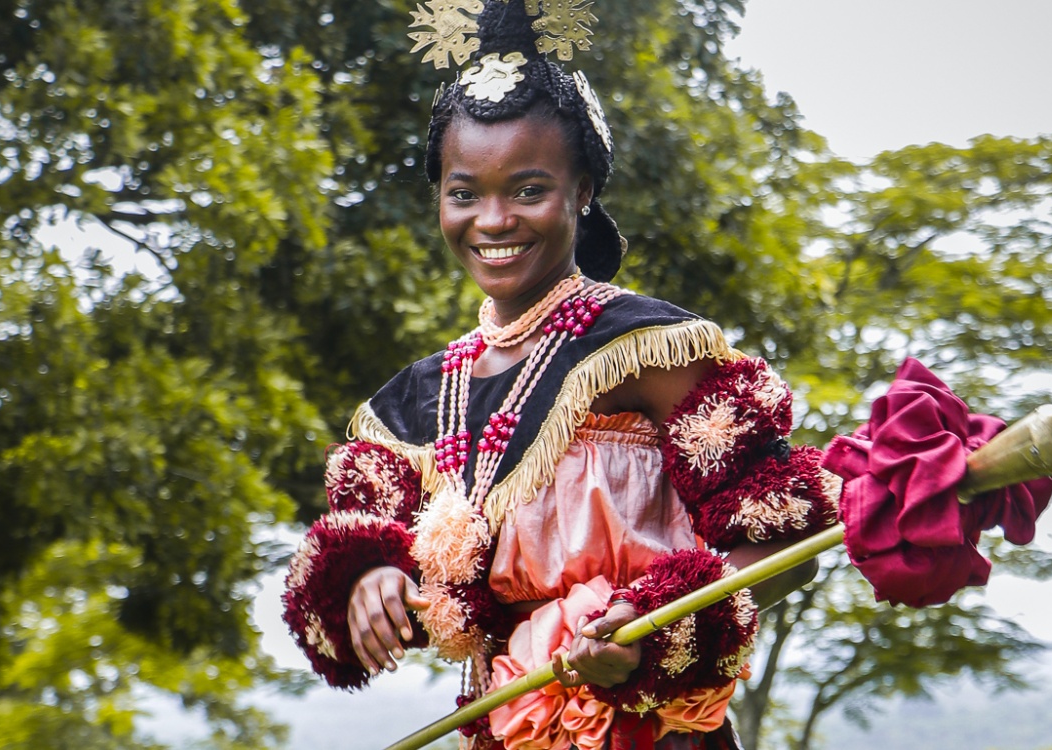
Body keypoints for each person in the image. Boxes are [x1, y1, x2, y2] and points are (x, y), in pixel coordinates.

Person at [283, 3, 841, 748]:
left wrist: (651, 629)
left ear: (581, 192)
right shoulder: (418, 401)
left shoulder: (653, 351)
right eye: (463, 193)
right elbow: (356, 548)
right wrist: (368, 581)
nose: (492, 220)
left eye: (526, 189)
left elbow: (785, 538)